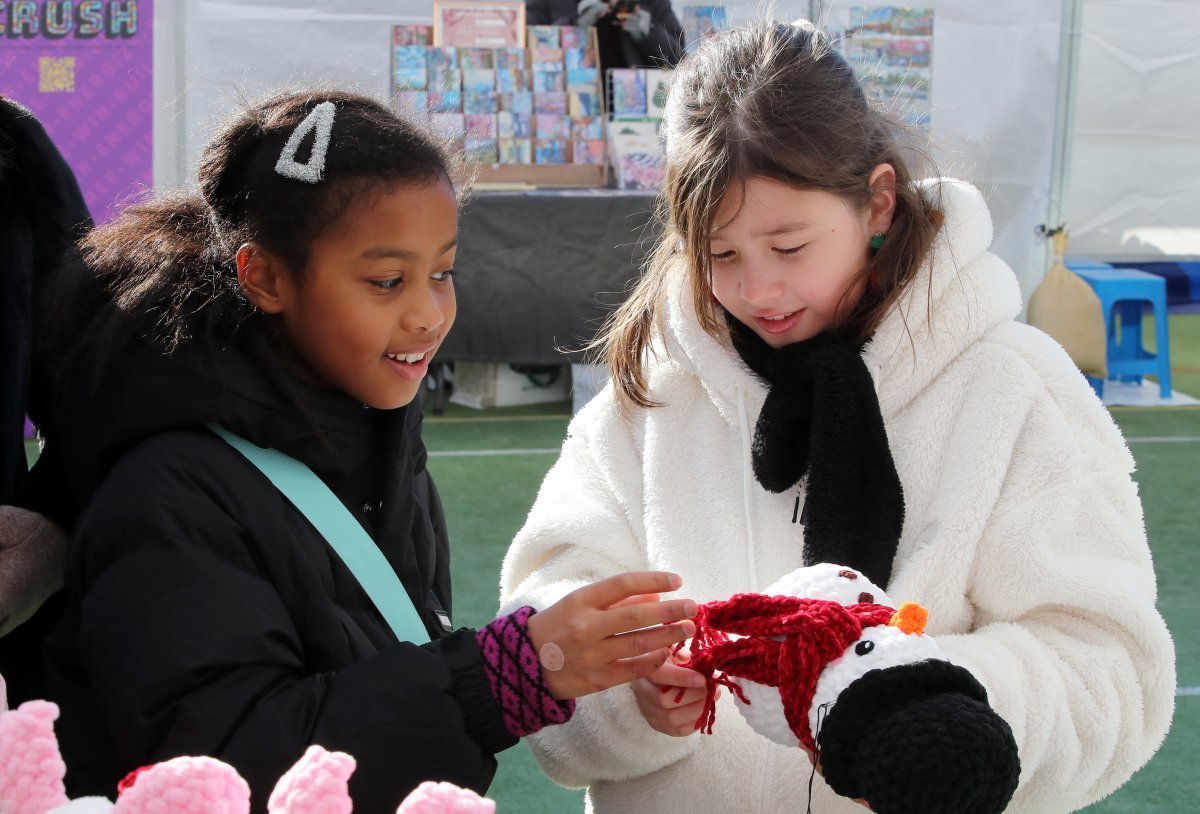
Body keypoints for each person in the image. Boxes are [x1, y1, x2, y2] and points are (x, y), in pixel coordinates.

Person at [499, 20, 1176, 814]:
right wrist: (632, 698)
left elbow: (1112, 674)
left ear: (877, 203)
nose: (758, 291)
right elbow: (542, 636)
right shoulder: (650, 400)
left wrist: (922, 700)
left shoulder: (1014, 389)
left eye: (789, 248)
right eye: (720, 255)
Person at [33, 89, 698, 813]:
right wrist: (501, 677)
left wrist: (557, 671)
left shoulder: (369, 425)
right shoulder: (165, 491)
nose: (428, 313)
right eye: (387, 281)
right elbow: (220, 771)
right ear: (266, 277)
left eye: (442, 272)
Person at [524, 0, 684, 72]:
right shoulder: (544, 3)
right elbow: (526, 56)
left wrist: (646, 30)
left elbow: (679, 60)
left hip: (634, 112)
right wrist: (575, 25)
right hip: (566, 110)